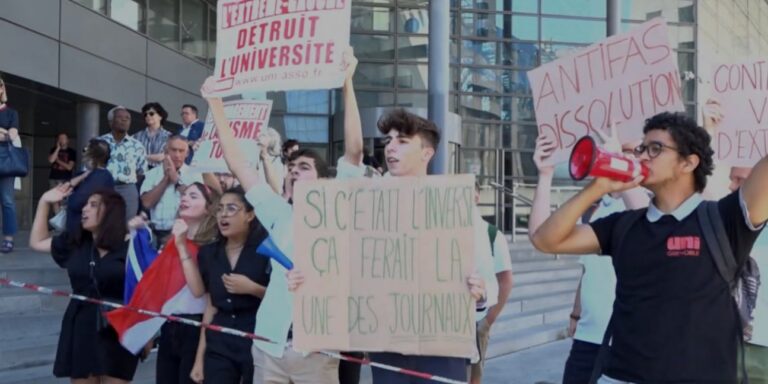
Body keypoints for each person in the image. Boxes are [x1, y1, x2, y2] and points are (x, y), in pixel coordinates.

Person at [530, 112, 768, 383]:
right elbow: (545, 240)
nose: (641, 156)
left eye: (656, 149)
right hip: (620, 377)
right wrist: (597, 188)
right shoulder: (623, 225)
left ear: (688, 163)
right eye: (642, 148)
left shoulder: (724, 219)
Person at [527, 128, 647, 384]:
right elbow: (542, 236)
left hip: (629, 343)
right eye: (620, 151)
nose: (625, 156)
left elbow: (648, 227)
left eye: (634, 151)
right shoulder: (598, 208)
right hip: (589, 338)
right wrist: (545, 174)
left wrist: (621, 166)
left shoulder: (653, 204)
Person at [29, 186, 139, 382]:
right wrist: (44, 202)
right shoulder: (76, 243)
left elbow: (146, 289)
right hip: (81, 324)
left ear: (110, 211)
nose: (85, 209)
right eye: (86, 205)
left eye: (93, 205)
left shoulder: (131, 246)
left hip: (117, 326)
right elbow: (37, 242)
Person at [125, 182, 219, 384]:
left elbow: (198, 290)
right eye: (184, 195)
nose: (185, 199)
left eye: (194, 196)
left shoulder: (211, 246)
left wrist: (182, 246)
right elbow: (157, 284)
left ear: (209, 208)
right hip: (169, 325)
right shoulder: (170, 241)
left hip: (194, 327)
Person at [189, 187, 271, 384]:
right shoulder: (209, 253)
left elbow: (283, 299)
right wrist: (199, 360)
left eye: (232, 208)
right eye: (220, 209)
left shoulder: (266, 250)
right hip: (219, 341)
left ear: (249, 215)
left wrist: (252, 288)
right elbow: (210, 306)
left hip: (256, 339)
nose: (223, 214)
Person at [468, 182, 514, 384]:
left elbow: (505, 280)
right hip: (448, 319)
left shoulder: (492, 235)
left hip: (478, 317)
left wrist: (488, 320)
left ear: (477, 196)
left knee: (474, 376)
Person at [140, 135, 204, 245]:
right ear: (166, 151)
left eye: (181, 151)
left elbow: (199, 203)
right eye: (174, 150)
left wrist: (176, 181)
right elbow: (146, 203)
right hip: (155, 235)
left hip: (183, 235)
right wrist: (166, 179)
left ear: (187, 153)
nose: (177, 155)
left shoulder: (195, 175)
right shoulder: (152, 174)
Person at [100, 105, 148, 218]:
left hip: (128, 189)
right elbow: (89, 167)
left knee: (127, 226)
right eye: (120, 117)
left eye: (127, 118)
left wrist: (130, 183)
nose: (124, 119)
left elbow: (142, 171)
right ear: (111, 122)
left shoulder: (137, 146)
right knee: (104, 223)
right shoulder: (99, 142)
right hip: (104, 188)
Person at [64, 138, 115, 234]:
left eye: (87, 151)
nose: (84, 155)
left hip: (84, 234)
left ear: (93, 157)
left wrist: (69, 196)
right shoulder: (92, 174)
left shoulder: (99, 176)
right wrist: (82, 176)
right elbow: (66, 187)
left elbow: (76, 202)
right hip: (80, 232)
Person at [0, 74, 21, 253]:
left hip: (5, 160)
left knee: (7, 200)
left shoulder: (11, 113)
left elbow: (12, 135)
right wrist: (4, 132)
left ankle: (8, 239)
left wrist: (6, 134)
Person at [135, 102, 173, 170]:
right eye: (145, 114)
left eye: (151, 113)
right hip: (140, 172)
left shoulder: (169, 136)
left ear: (160, 116)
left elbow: (163, 156)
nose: (148, 116)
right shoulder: (137, 136)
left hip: (159, 172)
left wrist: (142, 157)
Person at [48, 132, 77, 203]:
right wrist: (58, 148)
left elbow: (69, 167)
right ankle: (57, 214)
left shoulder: (71, 152)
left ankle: (62, 214)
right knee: (53, 200)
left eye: (63, 138)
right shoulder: (53, 150)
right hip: (53, 178)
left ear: (67, 140)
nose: (61, 140)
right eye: (60, 138)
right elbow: (51, 160)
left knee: (63, 200)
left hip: (65, 179)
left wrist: (57, 160)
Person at [256, 127, 285, 195]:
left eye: (262, 136)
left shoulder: (276, 161)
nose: (258, 139)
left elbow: (276, 189)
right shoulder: (248, 157)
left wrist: (264, 155)